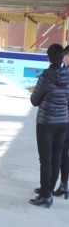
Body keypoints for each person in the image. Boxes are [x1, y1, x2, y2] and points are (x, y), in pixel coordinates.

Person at [30, 43, 69, 207]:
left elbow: (34, 100)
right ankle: (49, 190)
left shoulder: (45, 76)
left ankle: (45, 195)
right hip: (63, 123)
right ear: (62, 57)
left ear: (49, 58)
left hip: (46, 123)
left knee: (45, 160)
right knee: (56, 158)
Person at [53, 46, 69, 199]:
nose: (64, 58)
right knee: (63, 152)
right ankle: (61, 185)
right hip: (61, 118)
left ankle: (63, 185)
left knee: (63, 153)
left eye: (66, 56)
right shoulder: (63, 70)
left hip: (65, 119)